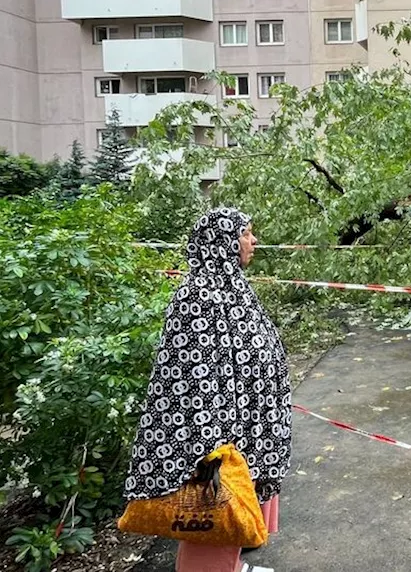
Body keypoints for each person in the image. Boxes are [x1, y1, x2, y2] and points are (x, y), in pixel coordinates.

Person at [123, 208, 292, 572]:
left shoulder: (228, 286)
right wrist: (211, 449)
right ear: (222, 242)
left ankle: (231, 568)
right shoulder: (198, 295)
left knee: (231, 519)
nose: (253, 240)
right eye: (246, 233)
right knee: (214, 514)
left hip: (243, 429)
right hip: (219, 438)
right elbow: (192, 379)